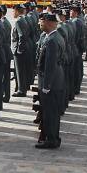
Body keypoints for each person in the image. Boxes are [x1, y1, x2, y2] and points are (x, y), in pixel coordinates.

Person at [36, 11, 65, 149]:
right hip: (54, 81)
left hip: (51, 83)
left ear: (49, 23)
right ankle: (51, 137)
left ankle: (52, 139)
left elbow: (50, 64)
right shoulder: (53, 37)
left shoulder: (52, 40)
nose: (40, 23)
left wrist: (46, 85)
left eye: (42, 21)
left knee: (51, 113)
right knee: (50, 112)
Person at [11, 4, 31, 97]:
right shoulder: (23, 19)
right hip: (25, 48)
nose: (12, 13)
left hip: (20, 50)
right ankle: (22, 88)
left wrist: (19, 49)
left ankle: (21, 90)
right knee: (22, 70)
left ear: (17, 11)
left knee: (20, 71)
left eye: (13, 11)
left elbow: (22, 36)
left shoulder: (19, 21)